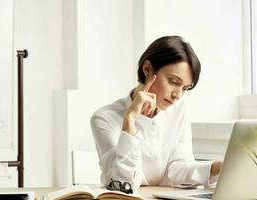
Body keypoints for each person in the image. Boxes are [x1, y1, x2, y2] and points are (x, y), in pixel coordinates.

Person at [90, 36, 222, 191]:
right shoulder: (104, 118)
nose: (177, 95)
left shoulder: (179, 110)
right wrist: (130, 119)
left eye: (185, 88)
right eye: (173, 82)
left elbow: (177, 168)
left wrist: (216, 168)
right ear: (147, 69)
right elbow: (123, 184)